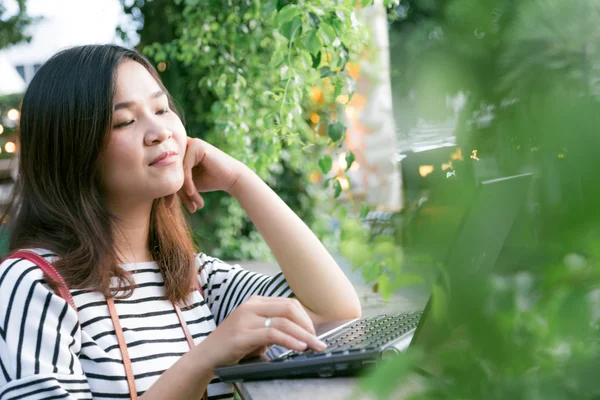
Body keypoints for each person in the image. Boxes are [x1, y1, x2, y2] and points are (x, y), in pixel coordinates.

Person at [0, 44, 361, 400]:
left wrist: (240, 180)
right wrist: (205, 358)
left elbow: (333, 313)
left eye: (161, 108)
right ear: (72, 151)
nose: (160, 131)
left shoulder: (194, 278)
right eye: (124, 120)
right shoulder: (34, 285)